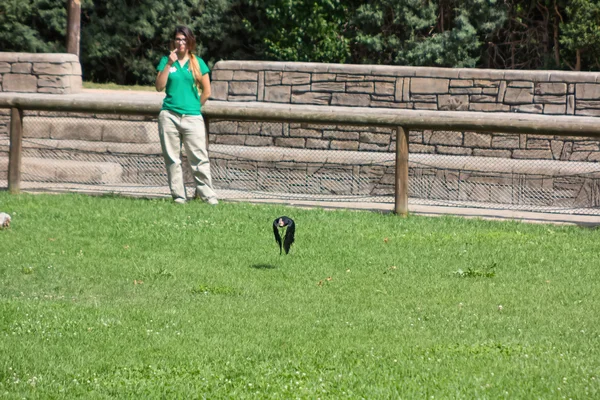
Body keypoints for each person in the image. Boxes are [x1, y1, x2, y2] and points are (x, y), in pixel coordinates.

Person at [155, 25, 218, 205]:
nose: (180, 43)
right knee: (173, 159)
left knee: (199, 158)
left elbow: (207, 91)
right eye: (177, 39)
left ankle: (209, 197)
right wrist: (168, 64)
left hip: (192, 117)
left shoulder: (197, 62)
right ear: (173, 41)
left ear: (190, 42)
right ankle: (179, 197)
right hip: (169, 115)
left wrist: (194, 107)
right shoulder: (166, 61)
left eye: (184, 39)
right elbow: (159, 86)